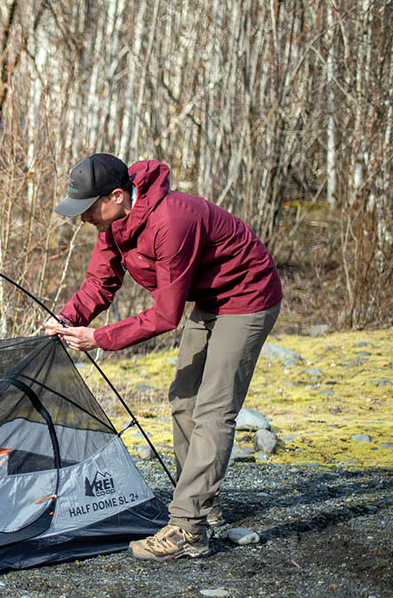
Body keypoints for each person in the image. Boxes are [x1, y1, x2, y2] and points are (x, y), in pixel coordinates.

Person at [45, 153, 282, 560]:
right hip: (209, 299)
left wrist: (99, 337)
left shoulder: (172, 221)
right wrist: (67, 317)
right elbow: (101, 281)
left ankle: (187, 528)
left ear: (116, 196)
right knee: (183, 401)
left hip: (247, 297)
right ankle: (202, 508)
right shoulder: (114, 221)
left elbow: (166, 315)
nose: (82, 219)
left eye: (87, 209)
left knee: (213, 409)